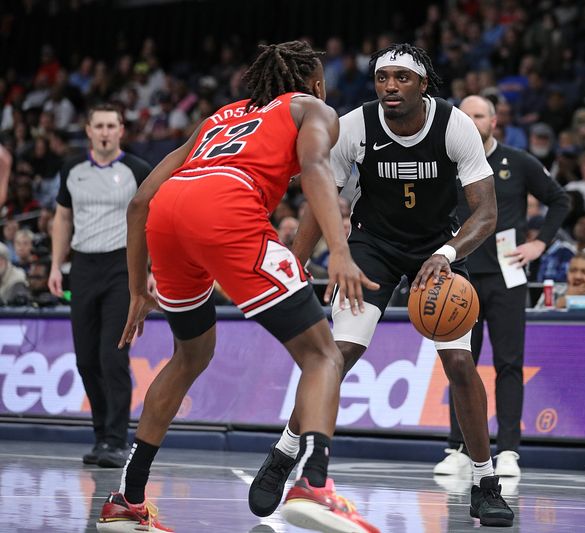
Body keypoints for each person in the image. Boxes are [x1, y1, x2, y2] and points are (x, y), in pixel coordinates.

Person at [96, 42, 379, 533]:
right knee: (322, 356)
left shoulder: (219, 117)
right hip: (226, 206)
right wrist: (338, 248)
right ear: (315, 83)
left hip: (169, 214)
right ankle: (315, 485)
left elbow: (141, 200)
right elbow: (316, 170)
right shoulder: (313, 108)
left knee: (190, 356)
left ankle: (127, 499)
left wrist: (140, 287)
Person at [267, 43, 514, 527]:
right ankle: (285, 454)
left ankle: (486, 485)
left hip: (437, 248)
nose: (391, 87)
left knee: (461, 364)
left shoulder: (454, 125)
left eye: (402, 78)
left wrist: (447, 254)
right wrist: (295, 260)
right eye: (383, 78)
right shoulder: (355, 125)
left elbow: (486, 211)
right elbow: (323, 198)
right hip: (371, 246)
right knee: (338, 354)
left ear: (424, 85)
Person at [443, 94, 568, 478]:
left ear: (494, 122)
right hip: (460, 276)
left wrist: (539, 243)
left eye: (478, 115)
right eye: (464, 115)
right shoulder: (448, 163)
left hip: (507, 276)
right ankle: (459, 448)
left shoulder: (518, 161)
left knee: (509, 364)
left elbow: (560, 200)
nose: (471, 121)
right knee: (460, 365)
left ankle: (509, 450)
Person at [48, 103, 152, 468]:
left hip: (123, 267)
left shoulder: (137, 169)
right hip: (83, 266)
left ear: (122, 130)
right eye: (99, 126)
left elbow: (153, 221)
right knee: (86, 360)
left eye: (112, 125)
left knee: (113, 356)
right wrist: (57, 265)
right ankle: (100, 436)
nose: (106, 132)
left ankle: (115, 439)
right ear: (88, 130)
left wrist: (150, 269)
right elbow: (62, 217)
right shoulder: (72, 169)